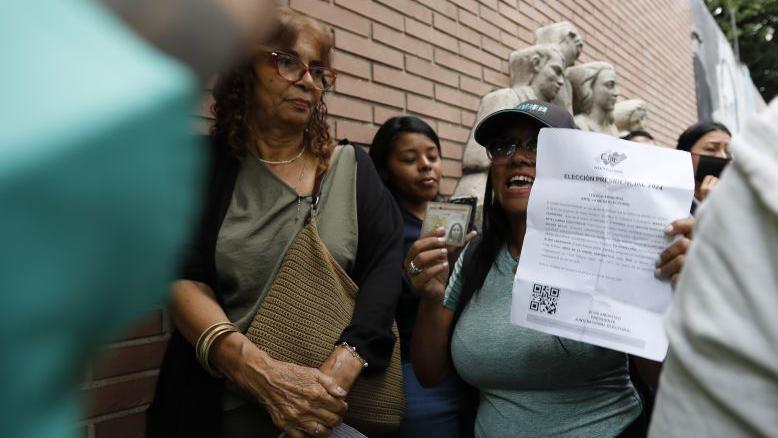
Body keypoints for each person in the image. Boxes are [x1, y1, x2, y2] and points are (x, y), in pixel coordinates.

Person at [148, 9, 403, 438]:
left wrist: (332, 380)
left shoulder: (353, 168)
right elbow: (181, 277)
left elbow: (384, 272)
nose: (307, 81)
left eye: (319, 72)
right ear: (244, 67)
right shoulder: (200, 167)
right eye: (287, 61)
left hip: (332, 412)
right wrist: (262, 375)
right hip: (221, 411)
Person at [406, 100, 694, 437]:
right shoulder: (471, 255)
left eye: (539, 144)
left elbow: (660, 376)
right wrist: (429, 297)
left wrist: (675, 291)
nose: (517, 157)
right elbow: (429, 373)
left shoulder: (615, 249)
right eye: (502, 147)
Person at [649, 99, 778, 437]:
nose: (722, 158)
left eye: (728, 150)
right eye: (711, 149)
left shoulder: (737, 204)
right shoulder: (660, 209)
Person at [369, 116, 474, 437]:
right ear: (386, 168)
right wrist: (416, 275)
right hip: (414, 372)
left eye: (433, 156)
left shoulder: (455, 217)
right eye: (409, 159)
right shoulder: (384, 226)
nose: (426, 166)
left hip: (469, 366)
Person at [675, 121, 731, 210]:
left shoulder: (738, 199)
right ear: (686, 154)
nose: (723, 156)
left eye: (728, 151)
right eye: (711, 149)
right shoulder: (669, 201)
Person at [568, 62, 620, 136]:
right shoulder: (580, 124)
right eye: (610, 85)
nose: (617, 92)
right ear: (589, 88)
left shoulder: (613, 130)